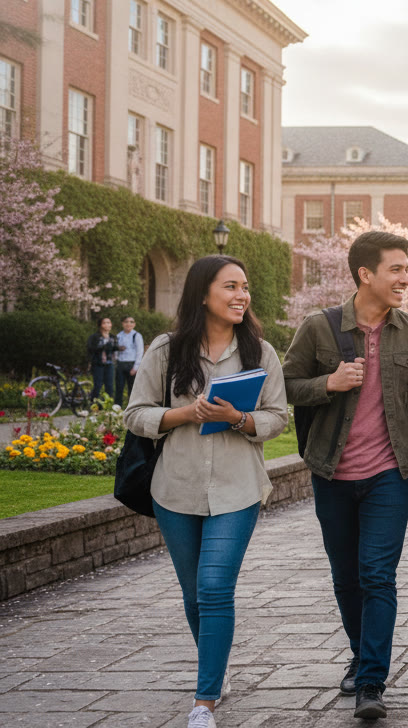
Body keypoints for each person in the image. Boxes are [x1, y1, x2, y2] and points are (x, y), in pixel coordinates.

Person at [124, 255, 288, 728]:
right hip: (175, 489)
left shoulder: (261, 352)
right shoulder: (165, 349)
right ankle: (214, 668)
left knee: (215, 587)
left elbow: (277, 416)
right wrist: (185, 414)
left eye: (245, 286)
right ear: (202, 294)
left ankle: (204, 701)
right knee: (194, 593)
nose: (242, 295)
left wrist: (237, 419)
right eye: (231, 286)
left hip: (237, 489)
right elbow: (136, 414)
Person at [282, 231, 408, 720]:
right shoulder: (319, 328)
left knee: (377, 575)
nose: (405, 279)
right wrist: (327, 382)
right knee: (346, 576)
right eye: (396, 269)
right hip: (331, 471)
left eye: (407, 269)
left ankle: (372, 680)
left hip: (390, 473)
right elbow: (284, 385)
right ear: (365, 274)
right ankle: (359, 652)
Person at [115, 315, 145, 407]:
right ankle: (117, 407)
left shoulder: (136, 335)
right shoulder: (119, 336)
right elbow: (115, 350)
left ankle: (132, 407)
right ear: (122, 324)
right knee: (119, 387)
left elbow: (140, 352)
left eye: (131, 322)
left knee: (132, 388)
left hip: (131, 364)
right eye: (126, 322)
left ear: (134, 324)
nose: (129, 324)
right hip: (121, 364)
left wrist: (136, 367)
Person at [87, 317, 118, 399]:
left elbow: (114, 349)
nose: (107, 325)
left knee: (110, 386)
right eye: (105, 323)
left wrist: (117, 348)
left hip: (109, 364)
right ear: (100, 325)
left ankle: (107, 405)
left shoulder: (112, 337)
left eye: (109, 322)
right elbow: (90, 349)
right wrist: (103, 347)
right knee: (98, 385)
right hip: (98, 364)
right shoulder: (95, 337)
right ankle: (93, 404)